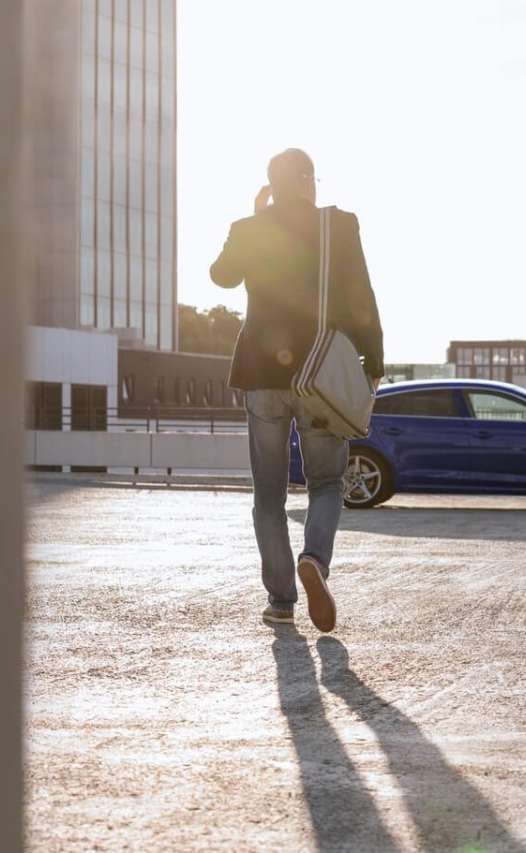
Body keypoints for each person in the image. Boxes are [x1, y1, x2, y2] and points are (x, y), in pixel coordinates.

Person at [210, 148, 385, 632]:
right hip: (321, 375)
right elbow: (362, 295)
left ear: (272, 185)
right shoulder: (339, 225)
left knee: (268, 494)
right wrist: (373, 361)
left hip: (260, 375)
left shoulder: (250, 227)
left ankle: (281, 601)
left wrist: (253, 218)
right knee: (326, 482)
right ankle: (315, 560)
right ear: (308, 182)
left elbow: (222, 276)